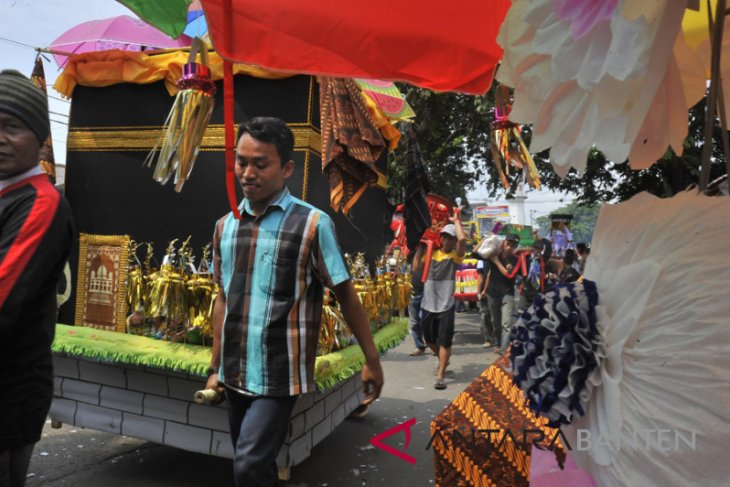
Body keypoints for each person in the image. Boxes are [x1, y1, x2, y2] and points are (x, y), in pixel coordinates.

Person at [205, 117, 384, 486]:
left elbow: (345, 294)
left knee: (249, 465)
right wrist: (215, 366)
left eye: (260, 163)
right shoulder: (225, 226)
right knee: (255, 463)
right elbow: (223, 298)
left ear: (286, 168)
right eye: (241, 161)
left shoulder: (313, 225)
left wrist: (371, 359)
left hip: (279, 376)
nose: (247, 172)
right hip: (234, 370)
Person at [0, 69, 74, 487]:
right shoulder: (7, 195)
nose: (0, 137)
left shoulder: (41, 205)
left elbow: (4, 302)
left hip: (8, 393)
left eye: (11, 126)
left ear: (40, 138)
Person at [413, 214, 466, 390]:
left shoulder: (455, 257)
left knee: (445, 341)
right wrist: (422, 245)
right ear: (440, 238)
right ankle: (443, 359)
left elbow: (463, 240)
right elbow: (415, 268)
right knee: (429, 340)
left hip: (446, 305)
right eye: (445, 237)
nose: (447, 241)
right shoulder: (431, 253)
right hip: (428, 304)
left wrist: (456, 220)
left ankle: (441, 375)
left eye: (451, 238)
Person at [486, 233, 520, 354]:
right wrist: (485, 239)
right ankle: (498, 343)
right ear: (504, 242)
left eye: (513, 245)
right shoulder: (494, 253)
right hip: (493, 293)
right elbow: (476, 252)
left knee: (506, 323)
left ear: (515, 247)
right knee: (495, 322)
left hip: (508, 293)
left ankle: (504, 350)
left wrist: (496, 262)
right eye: (508, 244)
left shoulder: (516, 260)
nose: (509, 247)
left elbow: (509, 275)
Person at [408, 248, 428, 356]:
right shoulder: (411, 256)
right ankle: (419, 346)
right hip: (413, 293)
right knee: (414, 322)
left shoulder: (429, 256)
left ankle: (434, 344)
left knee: (424, 320)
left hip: (425, 293)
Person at [476, 259, 495, 348]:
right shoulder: (497, 256)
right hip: (491, 291)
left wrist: (481, 291)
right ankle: (490, 338)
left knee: (486, 315)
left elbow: (483, 276)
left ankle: (490, 339)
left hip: (490, 291)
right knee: (488, 315)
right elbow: (481, 276)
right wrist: (480, 291)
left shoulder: (482, 260)